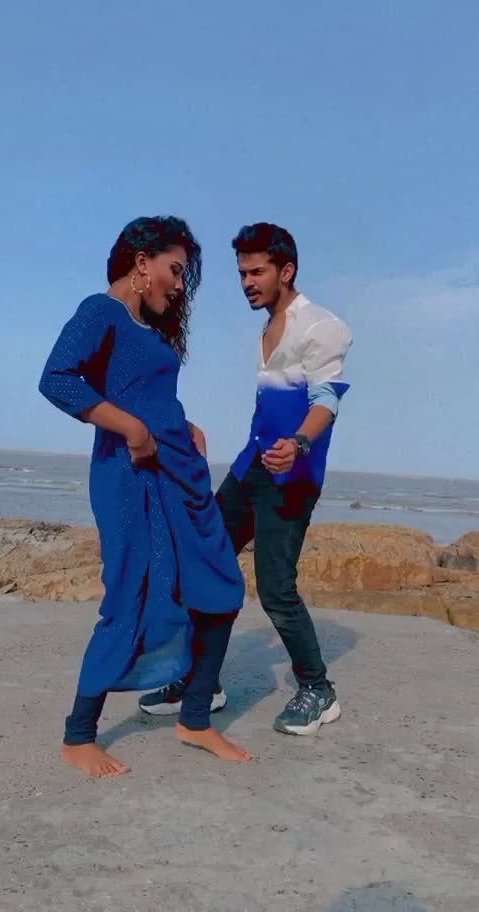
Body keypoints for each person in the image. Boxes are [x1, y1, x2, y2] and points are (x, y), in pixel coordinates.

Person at [39, 215, 252, 777]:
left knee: (220, 585)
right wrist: (132, 429)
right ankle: (79, 735)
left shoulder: (149, 331)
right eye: (175, 270)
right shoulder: (101, 311)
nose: (180, 285)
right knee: (131, 591)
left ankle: (195, 717)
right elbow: (57, 379)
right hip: (130, 474)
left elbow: (149, 395)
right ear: (141, 262)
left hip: (179, 471)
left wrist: (186, 425)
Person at [140, 222, 353, 736]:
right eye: (242, 273)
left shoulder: (323, 327)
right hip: (251, 467)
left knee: (276, 588)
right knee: (205, 562)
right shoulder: (268, 326)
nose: (247, 283)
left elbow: (326, 401)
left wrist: (298, 444)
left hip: (293, 474)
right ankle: (201, 680)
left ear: (287, 270)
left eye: (257, 272)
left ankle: (318, 689)